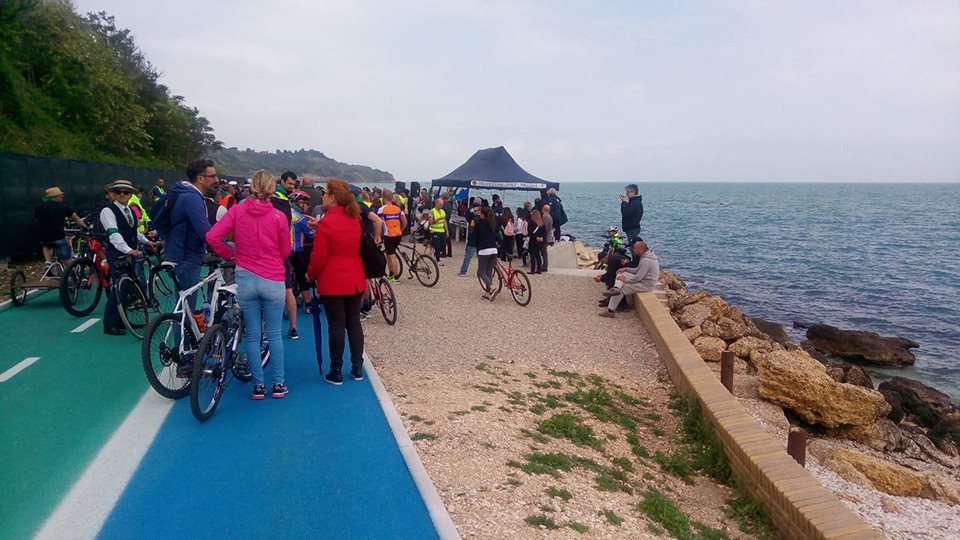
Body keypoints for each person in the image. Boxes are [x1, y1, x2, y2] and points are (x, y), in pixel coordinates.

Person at [206, 170, 291, 399]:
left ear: (252, 187)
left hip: (245, 276)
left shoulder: (237, 210)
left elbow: (212, 236)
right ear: (272, 189)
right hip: (272, 277)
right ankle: (279, 384)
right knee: (274, 334)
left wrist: (230, 254)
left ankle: (258, 386)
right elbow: (286, 251)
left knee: (253, 335)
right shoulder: (279, 216)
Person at [307, 179, 367, 386]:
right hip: (354, 277)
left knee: (336, 325)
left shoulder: (326, 223)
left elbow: (319, 257)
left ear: (332, 197)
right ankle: (357, 366)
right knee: (354, 323)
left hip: (333, 279)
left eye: (324, 193)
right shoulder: (354, 219)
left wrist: (310, 274)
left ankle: (336, 370)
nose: (322, 196)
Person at [100, 180, 154, 335]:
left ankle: (122, 321)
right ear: (114, 194)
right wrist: (128, 250)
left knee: (128, 287)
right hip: (117, 254)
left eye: (126, 192)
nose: (122, 194)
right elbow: (113, 233)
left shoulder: (129, 210)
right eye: (119, 192)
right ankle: (110, 323)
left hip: (130, 253)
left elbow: (133, 231)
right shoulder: (108, 211)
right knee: (119, 288)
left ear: (130, 194)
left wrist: (147, 241)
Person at [166, 159, 218, 309]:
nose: (216, 180)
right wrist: (226, 249)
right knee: (186, 308)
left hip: (181, 254)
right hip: (187, 257)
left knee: (183, 305)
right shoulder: (192, 198)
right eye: (212, 176)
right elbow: (205, 231)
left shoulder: (186, 194)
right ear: (200, 178)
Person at [599, 240, 659, 318]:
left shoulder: (646, 260)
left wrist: (625, 279)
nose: (633, 250)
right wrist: (626, 269)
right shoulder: (646, 257)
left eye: (635, 248)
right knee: (621, 273)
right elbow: (637, 270)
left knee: (621, 288)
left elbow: (638, 277)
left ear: (640, 249)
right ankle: (616, 288)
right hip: (643, 280)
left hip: (646, 284)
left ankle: (610, 310)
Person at [35, 187, 87, 268]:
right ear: (58, 197)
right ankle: (70, 271)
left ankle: (48, 263)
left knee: (47, 246)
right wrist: (85, 227)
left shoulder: (39, 207)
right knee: (66, 259)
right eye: (62, 196)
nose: (62, 198)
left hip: (43, 237)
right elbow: (77, 220)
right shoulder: (64, 207)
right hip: (58, 237)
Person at [289, 190, 316, 312]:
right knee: (302, 276)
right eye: (307, 204)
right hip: (297, 251)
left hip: (284, 252)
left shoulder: (284, 212)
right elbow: (311, 234)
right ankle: (309, 304)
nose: (308, 207)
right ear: (300, 203)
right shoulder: (299, 217)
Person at [378, 191, 407, 282]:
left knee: (391, 256)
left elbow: (379, 223)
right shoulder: (398, 208)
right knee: (389, 254)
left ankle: (395, 277)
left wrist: (379, 234)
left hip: (389, 235)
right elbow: (405, 221)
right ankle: (391, 275)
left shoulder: (381, 209)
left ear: (383, 198)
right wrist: (401, 230)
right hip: (398, 234)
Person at [475, 207, 500, 301]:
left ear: (483, 214)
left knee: (481, 272)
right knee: (488, 272)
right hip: (493, 249)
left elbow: (476, 237)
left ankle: (492, 287)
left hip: (484, 250)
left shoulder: (480, 224)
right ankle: (488, 293)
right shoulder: (493, 223)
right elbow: (498, 233)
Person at [457, 198, 481, 277]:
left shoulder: (472, 216)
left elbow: (471, 230)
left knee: (467, 256)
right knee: (481, 258)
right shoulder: (483, 220)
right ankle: (480, 272)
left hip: (472, 240)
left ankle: (463, 271)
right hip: (480, 241)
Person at [527, 209, 547, 274]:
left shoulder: (531, 223)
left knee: (532, 256)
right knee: (538, 255)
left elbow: (530, 233)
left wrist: (536, 237)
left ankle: (532, 270)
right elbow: (544, 233)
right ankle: (539, 269)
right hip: (540, 242)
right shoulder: (542, 224)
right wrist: (541, 238)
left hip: (533, 241)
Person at [428, 197, 447, 264]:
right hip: (434, 230)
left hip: (441, 230)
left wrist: (447, 231)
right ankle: (437, 259)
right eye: (440, 205)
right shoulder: (432, 211)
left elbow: (444, 222)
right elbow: (431, 222)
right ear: (436, 203)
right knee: (437, 245)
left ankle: (436, 254)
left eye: (442, 205)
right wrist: (438, 219)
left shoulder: (443, 211)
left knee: (444, 244)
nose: (441, 206)